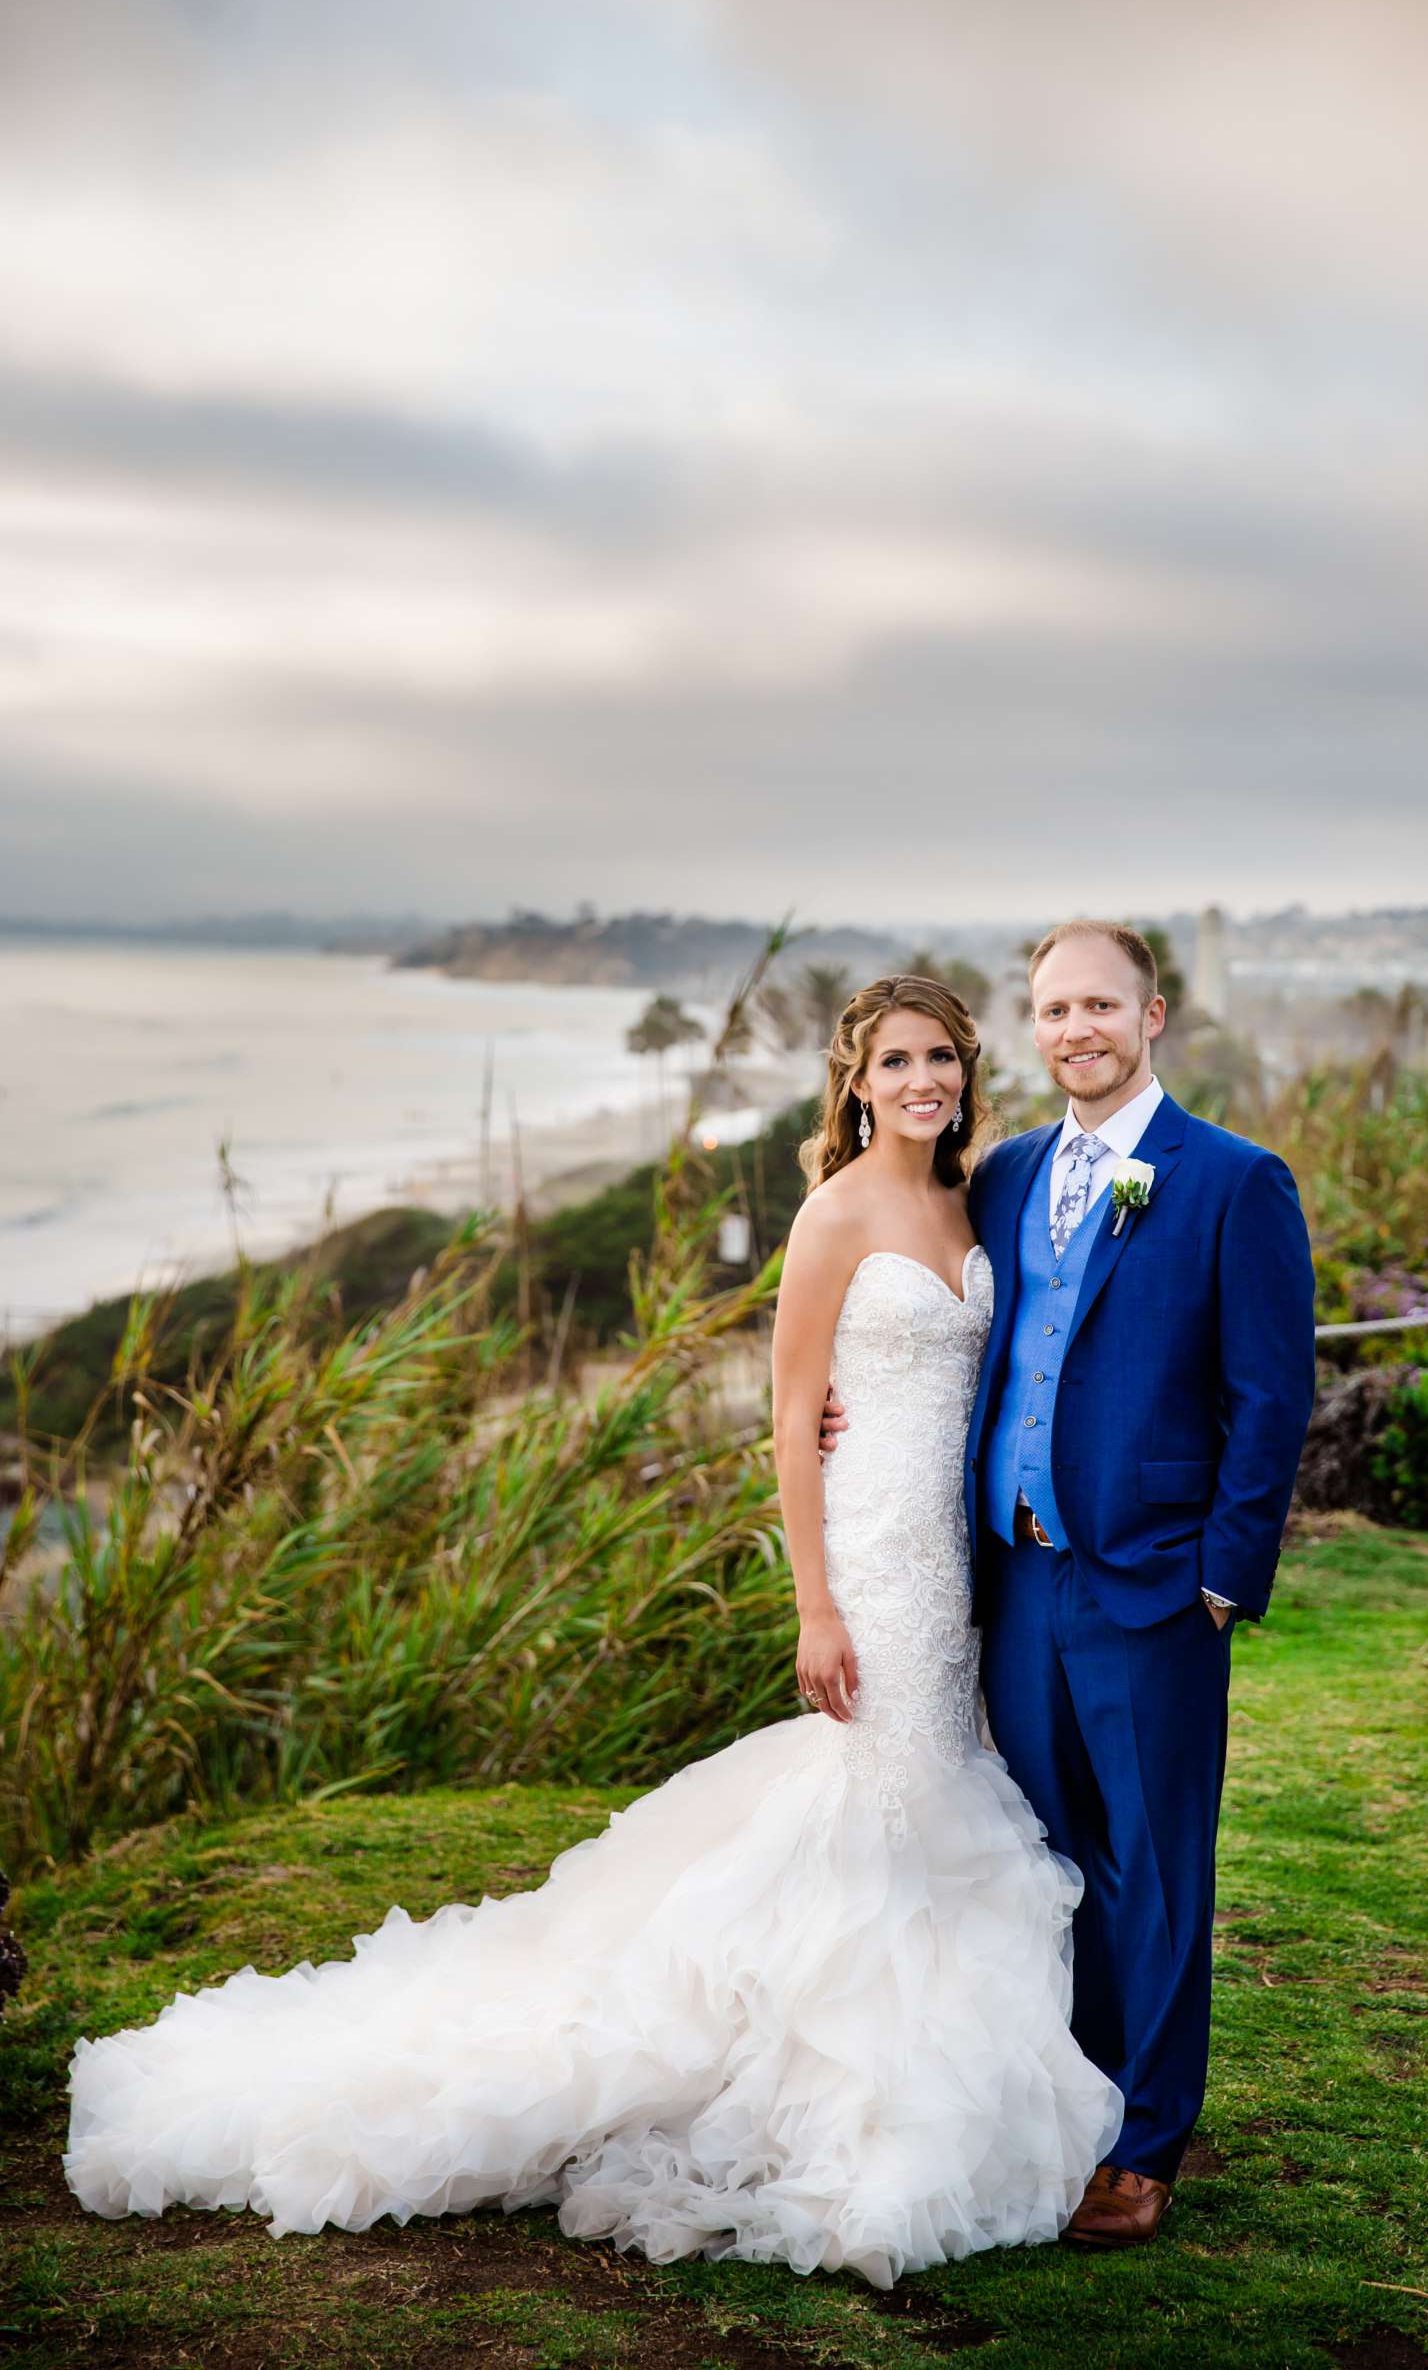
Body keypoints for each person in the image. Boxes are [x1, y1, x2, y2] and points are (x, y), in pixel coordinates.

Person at [64, 973, 1122, 2291]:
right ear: (855, 1081)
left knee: (931, 1795)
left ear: (968, 1075)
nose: (924, 1081)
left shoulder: (978, 1199)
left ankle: (892, 2059)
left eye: (944, 1060)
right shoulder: (834, 1212)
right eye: (898, 1060)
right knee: (886, 1787)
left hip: (962, 1560)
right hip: (872, 1558)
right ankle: (832, 2084)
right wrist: (815, 1601)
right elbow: (793, 1420)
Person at [823, 920, 1316, 2246]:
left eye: (1101, 1005)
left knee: (1157, 1866)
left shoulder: (1231, 1180)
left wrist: (1222, 1578)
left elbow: (1272, 1396)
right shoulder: (1008, 1175)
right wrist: (842, 1415)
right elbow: (951, 1332)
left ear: (1152, 1018)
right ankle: (1077, 2103)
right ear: (1033, 1030)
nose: (1076, 1029)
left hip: (1153, 1586)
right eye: (1053, 1010)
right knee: (1046, 1861)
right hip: (1013, 1588)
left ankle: (1149, 2141)